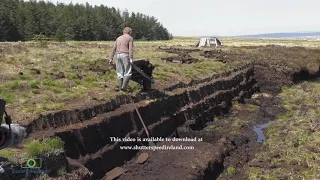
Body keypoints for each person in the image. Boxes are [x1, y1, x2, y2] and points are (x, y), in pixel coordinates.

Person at [109, 27, 134, 91]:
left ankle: (120, 88)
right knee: (128, 72)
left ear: (124, 32)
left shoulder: (118, 38)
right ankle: (123, 87)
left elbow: (113, 48)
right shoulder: (130, 38)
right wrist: (131, 58)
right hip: (125, 55)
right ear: (130, 32)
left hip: (117, 55)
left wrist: (111, 58)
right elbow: (131, 49)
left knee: (119, 72)